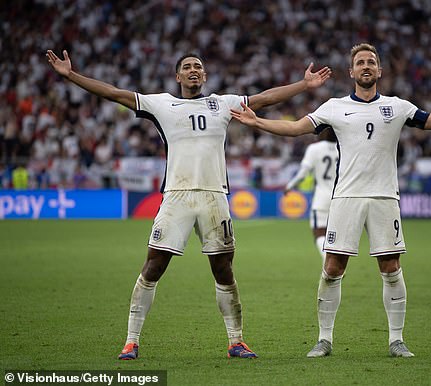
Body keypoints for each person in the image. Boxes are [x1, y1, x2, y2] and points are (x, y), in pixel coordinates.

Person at [231, 43, 431, 358]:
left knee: (391, 267)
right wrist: (258, 122)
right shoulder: (334, 106)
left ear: (380, 71)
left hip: (385, 198)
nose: (366, 66)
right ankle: (324, 339)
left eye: (371, 62)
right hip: (345, 198)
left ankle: (396, 340)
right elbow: (295, 128)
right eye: (360, 62)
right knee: (331, 267)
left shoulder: (398, 107)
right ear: (352, 72)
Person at [46, 49, 331, 360]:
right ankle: (131, 341)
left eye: (198, 66)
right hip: (177, 197)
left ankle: (236, 341)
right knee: (153, 266)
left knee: (224, 270)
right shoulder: (161, 104)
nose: (194, 70)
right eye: (187, 67)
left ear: (205, 76)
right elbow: (114, 93)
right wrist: (71, 76)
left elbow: (263, 99)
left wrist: (303, 85)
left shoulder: (223, 104)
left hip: (214, 197)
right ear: (178, 76)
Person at [284, 126, 338, 263]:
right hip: (340, 197)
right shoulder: (344, 148)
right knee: (336, 236)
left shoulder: (315, 149)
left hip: (322, 197)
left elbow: (303, 173)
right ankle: (336, 266)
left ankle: (328, 262)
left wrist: (290, 186)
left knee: (319, 233)